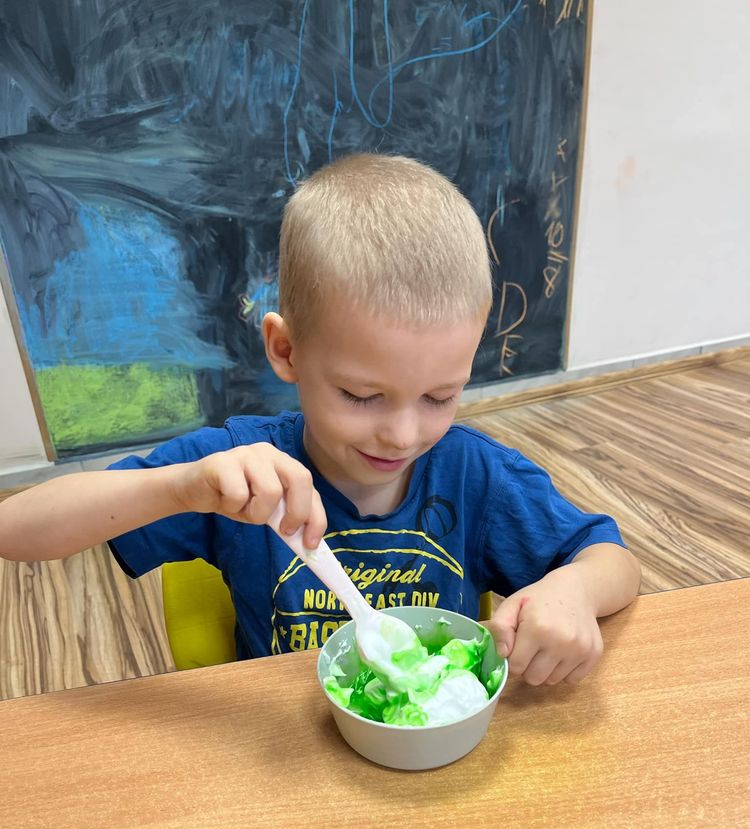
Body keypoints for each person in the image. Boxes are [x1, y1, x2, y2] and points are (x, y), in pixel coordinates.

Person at [0, 154, 640, 685]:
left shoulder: (479, 477)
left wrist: (575, 591)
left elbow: (613, 561)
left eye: (440, 397)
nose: (403, 434)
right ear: (286, 350)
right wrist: (182, 486)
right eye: (361, 395)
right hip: (281, 744)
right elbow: (14, 529)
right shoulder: (237, 470)